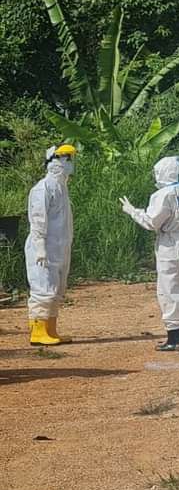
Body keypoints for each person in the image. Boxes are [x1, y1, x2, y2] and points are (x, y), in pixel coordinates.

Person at [120, 156, 179, 351]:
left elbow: (152, 222)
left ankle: (175, 337)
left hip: (171, 243)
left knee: (171, 287)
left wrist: (133, 211)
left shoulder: (163, 194)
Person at [25, 144, 76, 346]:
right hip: (44, 248)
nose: (70, 163)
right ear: (55, 162)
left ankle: (51, 329)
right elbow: (38, 219)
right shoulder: (42, 188)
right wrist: (40, 247)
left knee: (56, 289)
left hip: (59, 247)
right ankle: (38, 332)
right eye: (66, 159)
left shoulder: (61, 188)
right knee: (43, 288)